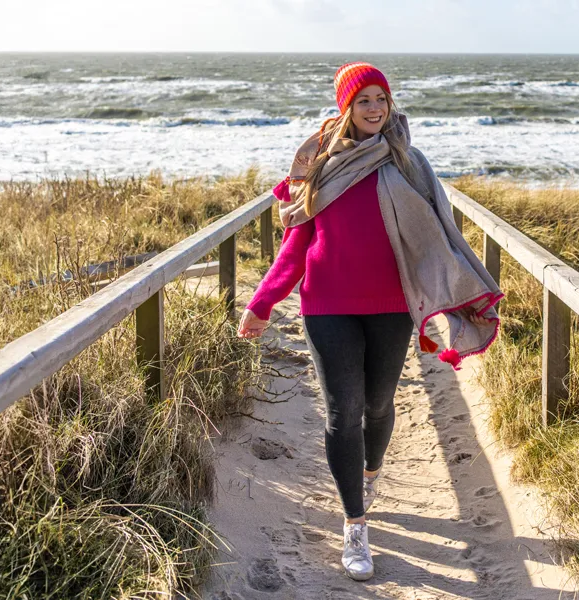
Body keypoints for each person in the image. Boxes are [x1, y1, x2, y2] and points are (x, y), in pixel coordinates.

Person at [236, 62, 503, 582]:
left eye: (382, 98)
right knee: (344, 410)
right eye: (364, 100)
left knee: (379, 404)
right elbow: (295, 248)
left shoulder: (407, 162)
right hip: (327, 305)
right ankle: (355, 523)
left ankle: (370, 473)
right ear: (346, 107)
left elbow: (436, 233)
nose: (376, 108)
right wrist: (262, 303)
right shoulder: (318, 165)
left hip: (389, 306)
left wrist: (456, 289)